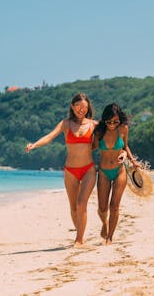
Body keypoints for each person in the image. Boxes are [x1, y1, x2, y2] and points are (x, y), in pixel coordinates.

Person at [25, 93, 97, 247]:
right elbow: (50, 136)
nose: (82, 109)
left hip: (88, 170)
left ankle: (79, 240)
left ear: (88, 108)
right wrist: (34, 145)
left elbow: (111, 139)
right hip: (70, 170)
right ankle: (80, 232)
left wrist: (124, 153)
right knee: (73, 207)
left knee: (81, 204)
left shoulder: (93, 125)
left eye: (85, 107)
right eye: (79, 106)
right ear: (72, 106)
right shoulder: (65, 124)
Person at [93, 103, 140, 244]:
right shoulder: (99, 131)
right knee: (102, 208)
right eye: (109, 121)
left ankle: (110, 238)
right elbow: (92, 147)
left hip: (120, 171)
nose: (112, 124)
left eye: (115, 121)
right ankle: (105, 224)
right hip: (103, 172)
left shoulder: (124, 129)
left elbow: (125, 146)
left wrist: (131, 159)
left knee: (114, 206)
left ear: (120, 119)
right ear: (104, 119)